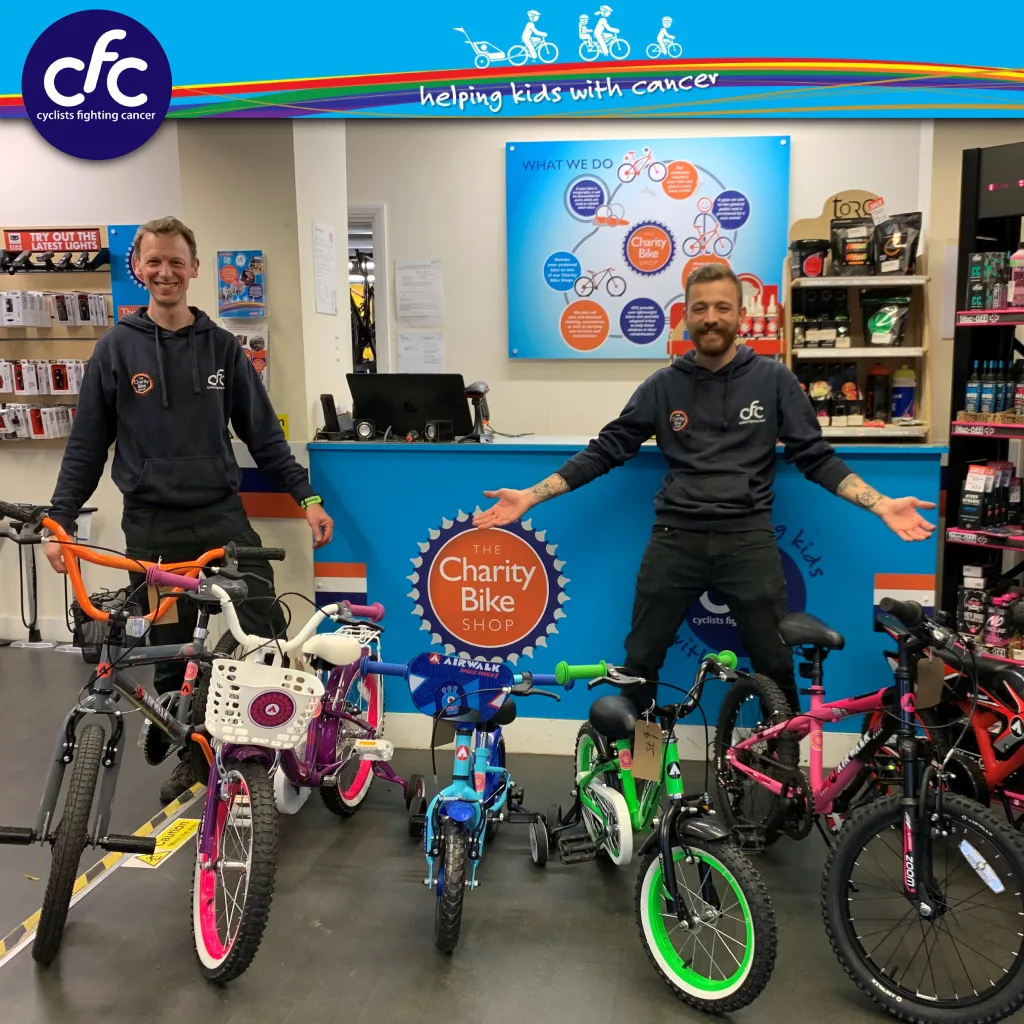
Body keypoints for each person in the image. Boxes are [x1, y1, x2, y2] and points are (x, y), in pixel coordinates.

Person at [473, 264, 935, 714]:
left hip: (748, 541)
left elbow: (815, 457)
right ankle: (643, 769)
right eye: (699, 308)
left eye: (722, 307)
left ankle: (784, 773)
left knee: (774, 661)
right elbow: (607, 450)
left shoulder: (774, 381)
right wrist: (533, 494)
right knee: (641, 661)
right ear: (685, 317)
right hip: (677, 539)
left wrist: (882, 505)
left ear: (739, 314)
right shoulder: (662, 386)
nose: (711, 317)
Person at [44, 216, 335, 803]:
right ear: (139, 269)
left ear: (195, 268)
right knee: (175, 650)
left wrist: (306, 497)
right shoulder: (115, 349)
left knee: (259, 628)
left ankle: (260, 748)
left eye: (177, 261)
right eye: (154, 261)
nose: (165, 272)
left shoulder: (225, 348)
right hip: (151, 524)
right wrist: (60, 519)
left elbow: (264, 437)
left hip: (223, 517)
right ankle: (189, 750)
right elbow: (86, 445)